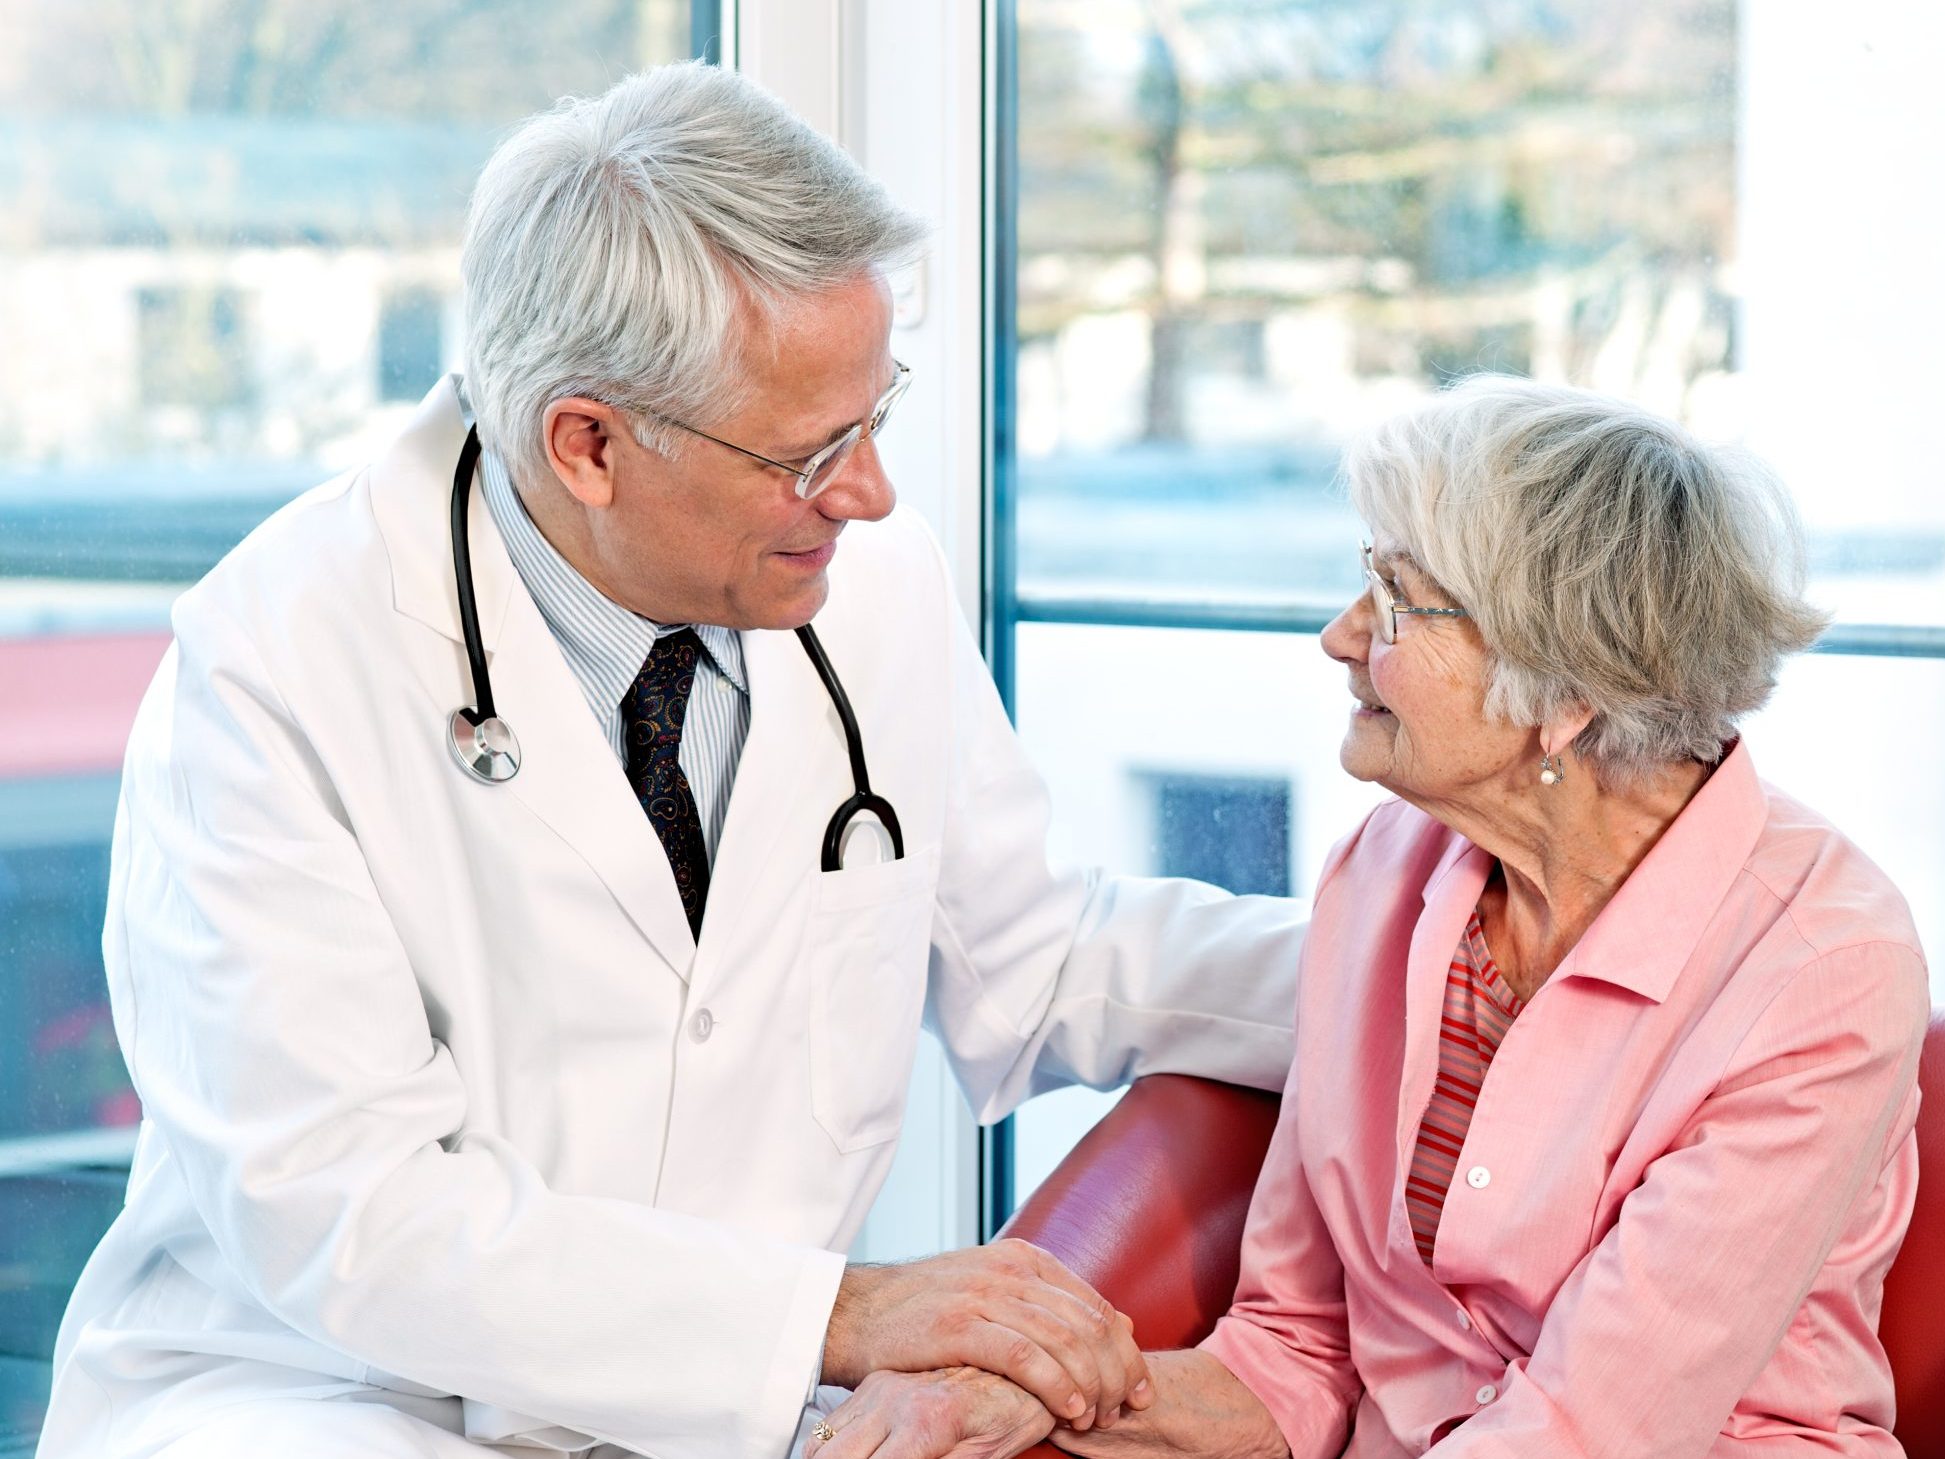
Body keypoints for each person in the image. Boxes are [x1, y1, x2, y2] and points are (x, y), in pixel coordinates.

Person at [35, 63, 1302, 1459]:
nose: (871, 491)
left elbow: (1039, 962)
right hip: (327, 1400)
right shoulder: (274, 660)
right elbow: (348, 1213)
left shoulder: (867, 586)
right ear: (587, 444)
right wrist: (838, 1314)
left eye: (876, 415)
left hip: (715, 1412)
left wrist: (1417, 960)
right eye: (813, 450)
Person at [850, 379, 1930, 1458]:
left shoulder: (1825, 967)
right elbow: (1293, 1350)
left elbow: (1585, 1431)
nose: (1340, 633)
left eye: (1397, 599)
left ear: (1566, 688)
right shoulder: (1382, 871)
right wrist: (1035, 1395)